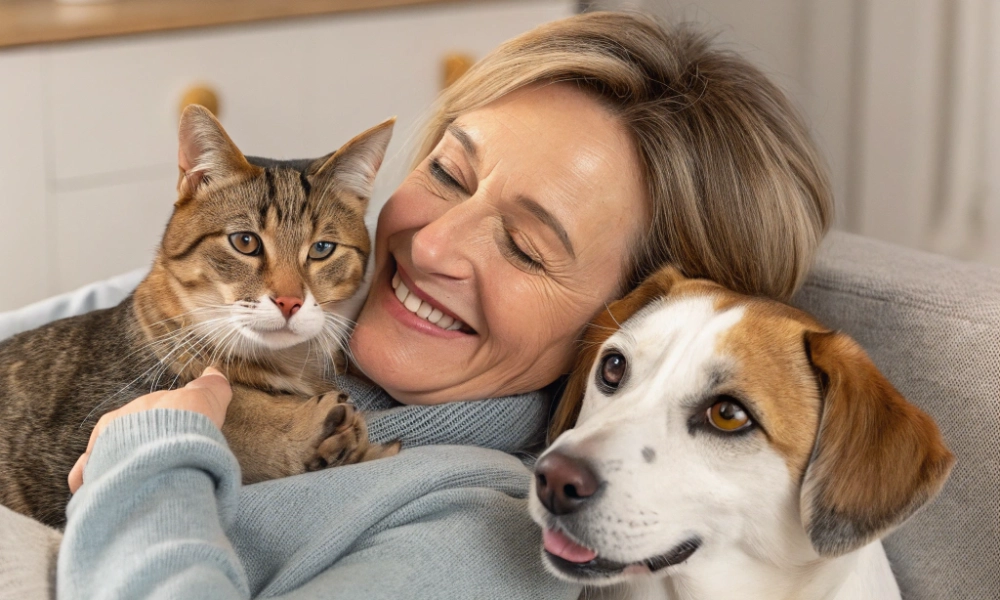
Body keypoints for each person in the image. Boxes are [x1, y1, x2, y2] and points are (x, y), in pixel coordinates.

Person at [2, 11, 831, 600]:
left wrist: (150, 460)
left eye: (526, 246)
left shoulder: (478, 534)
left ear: (635, 326)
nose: (429, 245)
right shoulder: (234, 319)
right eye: (447, 174)